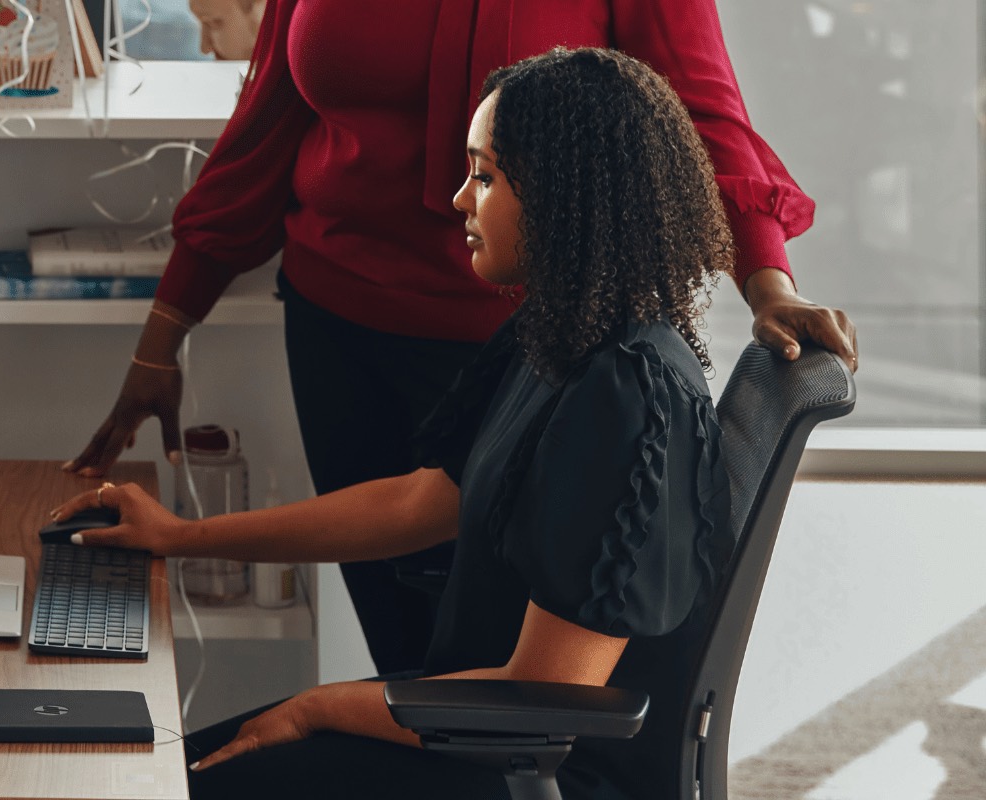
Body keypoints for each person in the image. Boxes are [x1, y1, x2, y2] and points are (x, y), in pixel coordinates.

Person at [53, 47, 772, 799]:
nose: (460, 199)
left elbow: (551, 696)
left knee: (161, 783)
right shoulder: (559, 335)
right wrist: (179, 536)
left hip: (538, 764)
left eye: (485, 176)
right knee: (155, 769)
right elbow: (418, 502)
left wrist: (320, 705)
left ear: (567, 195)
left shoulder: (627, 395)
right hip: (473, 728)